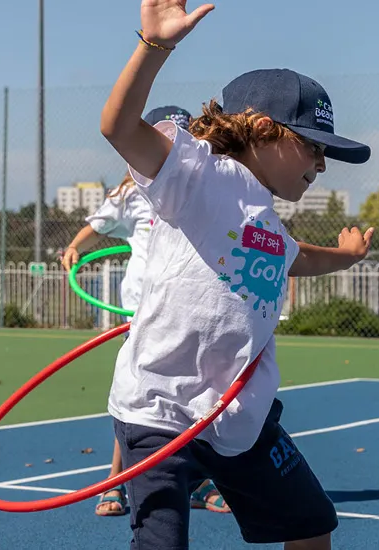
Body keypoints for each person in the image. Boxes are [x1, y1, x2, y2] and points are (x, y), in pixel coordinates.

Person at [98, 2, 375, 548]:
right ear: (266, 130)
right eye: (314, 148)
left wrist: (347, 256)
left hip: (235, 415)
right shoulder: (199, 174)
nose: (320, 165)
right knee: (161, 542)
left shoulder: (266, 218)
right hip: (161, 410)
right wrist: (154, 46)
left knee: (312, 524)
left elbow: (298, 258)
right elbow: (118, 127)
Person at [62, 105, 232, 517]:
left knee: (199, 396)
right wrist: (74, 247)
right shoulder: (131, 195)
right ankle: (115, 483)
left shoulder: (202, 192)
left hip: (188, 314)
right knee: (137, 398)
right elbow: (98, 225)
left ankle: (200, 480)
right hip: (142, 313)